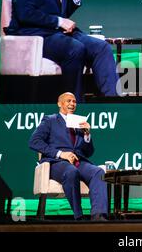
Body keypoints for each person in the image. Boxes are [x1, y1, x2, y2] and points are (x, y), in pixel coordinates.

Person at [4, 0, 119, 102]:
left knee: (101, 47)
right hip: (38, 35)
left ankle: (112, 102)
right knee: (75, 48)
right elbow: (25, 14)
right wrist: (59, 21)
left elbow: (62, 11)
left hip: (60, 33)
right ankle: (73, 104)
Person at [29, 92, 108, 220]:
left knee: (98, 172)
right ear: (59, 103)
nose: (72, 104)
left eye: (74, 101)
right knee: (71, 171)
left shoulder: (79, 123)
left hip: (78, 161)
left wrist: (87, 135)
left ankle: (99, 216)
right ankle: (79, 216)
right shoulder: (50, 120)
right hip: (57, 162)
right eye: (68, 101)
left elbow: (88, 152)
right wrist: (60, 154)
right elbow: (34, 142)